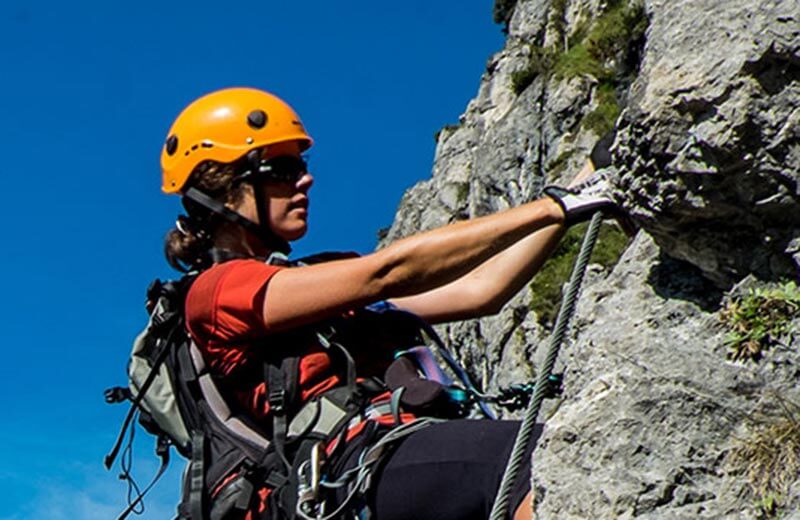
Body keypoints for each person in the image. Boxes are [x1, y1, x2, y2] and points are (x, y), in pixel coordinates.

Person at [159, 87, 615, 520]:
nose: (305, 179)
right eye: (281, 169)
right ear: (222, 186)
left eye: (301, 166)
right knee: (530, 457)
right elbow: (387, 272)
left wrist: (584, 181)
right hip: (339, 470)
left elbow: (483, 289)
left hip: (374, 465)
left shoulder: (311, 283)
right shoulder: (218, 293)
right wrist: (554, 207)